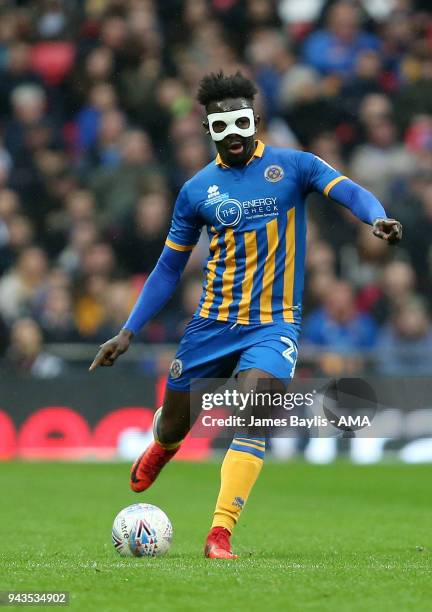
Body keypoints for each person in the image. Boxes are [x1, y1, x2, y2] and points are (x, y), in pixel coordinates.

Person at [89, 71, 402, 559]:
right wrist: (128, 330)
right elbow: (169, 267)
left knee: (254, 409)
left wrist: (376, 217)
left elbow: (349, 192)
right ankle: (163, 445)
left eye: (239, 122)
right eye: (220, 126)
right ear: (210, 129)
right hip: (211, 324)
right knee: (175, 423)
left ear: (255, 120)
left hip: (275, 323)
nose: (232, 133)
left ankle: (220, 532)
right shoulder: (197, 190)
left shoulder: (294, 166)